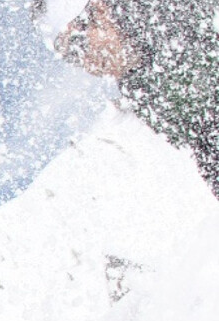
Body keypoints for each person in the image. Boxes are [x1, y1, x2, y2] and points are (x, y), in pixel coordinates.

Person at [55, 0, 219, 198]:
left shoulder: (173, 15)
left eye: (80, 45)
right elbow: (204, 147)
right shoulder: (143, 91)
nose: (88, 64)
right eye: (73, 58)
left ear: (100, 11)